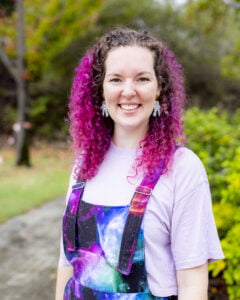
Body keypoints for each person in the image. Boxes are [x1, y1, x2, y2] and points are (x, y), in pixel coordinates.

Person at [55, 28, 224, 300]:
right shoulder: (83, 165)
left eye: (142, 78)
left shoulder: (182, 168)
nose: (129, 91)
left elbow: (192, 283)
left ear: (159, 89)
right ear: (100, 89)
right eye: (116, 79)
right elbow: (67, 264)